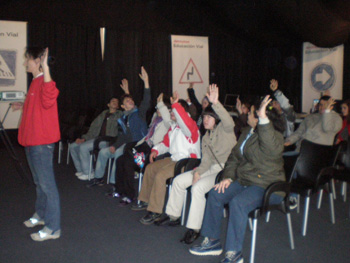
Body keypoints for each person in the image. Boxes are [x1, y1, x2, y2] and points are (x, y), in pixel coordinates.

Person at [189, 95, 286, 263]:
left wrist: (263, 118)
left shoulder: (274, 136)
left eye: (250, 113)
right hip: (244, 180)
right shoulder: (247, 132)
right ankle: (212, 242)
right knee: (216, 194)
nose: (246, 114)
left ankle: (234, 253)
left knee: (238, 203)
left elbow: (271, 149)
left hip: (266, 184)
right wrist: (228, 177)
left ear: (259, 118)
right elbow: (233, 158)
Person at [156, 84, 237, 245]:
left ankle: (194, 228)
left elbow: (228, 121)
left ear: (216, 119)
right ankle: (173, 215)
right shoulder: (206, 137)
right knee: (178, 181)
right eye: (204, 117)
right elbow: (206, 160)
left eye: (209, 117)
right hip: (210, 168)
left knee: (198, 187)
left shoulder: (226, 129)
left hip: (226, 170)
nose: (205, 120)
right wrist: (198, 171)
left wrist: (216, 103)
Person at [15, 47, 61, 241]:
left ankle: (53, 228)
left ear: (37, 61)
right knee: (39, 183)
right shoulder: (35, 82)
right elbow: (39, 103)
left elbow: (50, 95)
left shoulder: (44, 81)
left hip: (41, 144)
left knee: (47, 185)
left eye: (28, 60)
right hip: (32, 142)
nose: (25, 63)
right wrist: (23, 105)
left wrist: (46, 68)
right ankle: (41, 215)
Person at [134, 92, 201, 225]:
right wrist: (155, 151)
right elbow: (165, 144)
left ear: (182, 112)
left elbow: (184, 122)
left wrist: (176, 105)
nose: (171, 112)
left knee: (160, 175)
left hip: (187, 162)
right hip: (174, 159)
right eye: (171, 110)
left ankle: (155, 211)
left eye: (174, 110)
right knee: (150, 168)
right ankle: (146, 200)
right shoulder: (174, 128)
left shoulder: (191, 126)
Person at [88, 67, 150, 187]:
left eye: (131, 100)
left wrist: (146, 82)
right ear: (123, 106)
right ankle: (98, 178)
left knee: (119, 153)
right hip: (126, 144)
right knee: (104, 152)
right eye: (127, 101)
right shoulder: (122, 118)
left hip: (138, 146)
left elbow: (146, 100)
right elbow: (122, 136)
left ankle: (114, 183)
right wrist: (114, 146)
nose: (131, 101)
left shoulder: (139, 114)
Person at [113, 93, 172, 206]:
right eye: (157, 108)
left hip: (152, 151)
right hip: (144, 146)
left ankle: (130, 195)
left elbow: (166, 118)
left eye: (160, 108)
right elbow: (147, 136)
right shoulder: (156, 119)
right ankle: (120, 190)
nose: (158, 110)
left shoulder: (167, 123)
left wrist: (160, 103)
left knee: (128, 160)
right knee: (120, 160)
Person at [69, 97, 122, 180]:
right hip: (96, 138)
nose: (115, 102)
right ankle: (81, 170)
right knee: (73, 146)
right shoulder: (103, 114)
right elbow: (93, 129)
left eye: (117, 102)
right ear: (108, 104)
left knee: (83, 147)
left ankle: (89, 173)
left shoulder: (119, 115)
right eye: (113, 101)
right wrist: (84, 138)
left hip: (107, 140)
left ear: (118, 106)